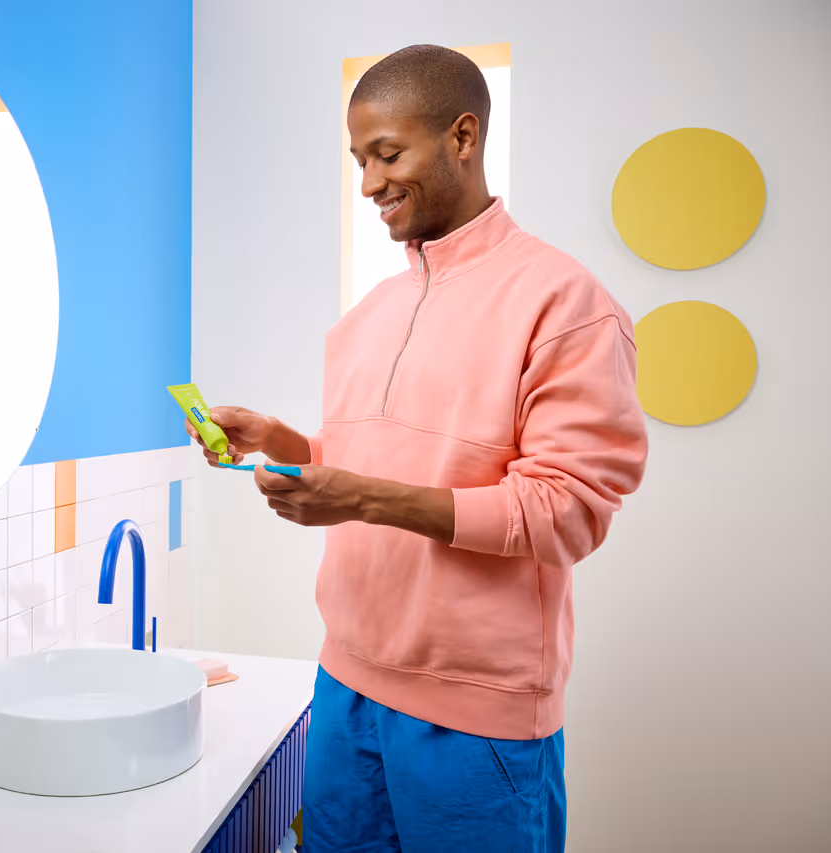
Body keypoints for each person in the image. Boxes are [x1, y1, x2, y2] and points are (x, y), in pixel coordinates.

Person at [187, 45, 648, 852]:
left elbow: (567, 509)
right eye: (360, 159)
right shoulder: (372, 312)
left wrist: (361, 499)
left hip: (477, 718)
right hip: (343, 687)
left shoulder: (566, 303)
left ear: (462, 137)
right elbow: (378, 463)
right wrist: (287, 442)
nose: (368, 182)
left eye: (387, 153)